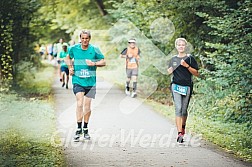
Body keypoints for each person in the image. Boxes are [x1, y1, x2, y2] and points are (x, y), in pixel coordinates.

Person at [66, 30, 106, 141]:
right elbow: (67, 57)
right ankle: (78, 129)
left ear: (89, 39)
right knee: (79, 103)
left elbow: (103, 62)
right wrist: (70, 67)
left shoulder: (94, 49)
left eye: (87, 38)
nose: (85, 40)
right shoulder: (74, 49)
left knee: (87, 106)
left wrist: (94, 63)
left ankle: (85, 128)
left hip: (91, 82)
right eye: (83, 38)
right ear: (80, 38)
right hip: (78, 80)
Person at [167, 38, 199, 143]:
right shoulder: (173, 59)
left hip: (187, 87)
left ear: (185, 46)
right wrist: (172, 68)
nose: (181, 46)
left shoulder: (190, 59)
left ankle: (183, 128)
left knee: (184, 110)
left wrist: (187, 66)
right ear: (176, 46)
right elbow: (168, 71)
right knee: (178, 108)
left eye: (183, 45)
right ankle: (179, 133)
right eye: (179, 45)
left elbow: (196, 73)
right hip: (175, 86)